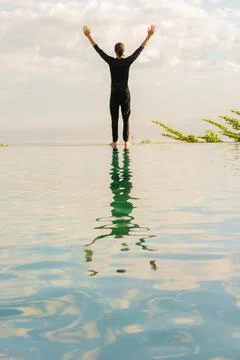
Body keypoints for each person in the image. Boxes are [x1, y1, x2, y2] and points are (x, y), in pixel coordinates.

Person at [83, 25, 156, 150]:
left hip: (114, 94)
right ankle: (127, 142)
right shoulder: (127, 61)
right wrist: (149, 36)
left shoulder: (111, 61)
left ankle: (115, 142)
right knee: (126, 118)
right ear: (123, 51)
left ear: (115, 51)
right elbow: (140, 50)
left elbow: (98, 50)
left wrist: (88, 36)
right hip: (125, 94)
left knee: (114, 118)